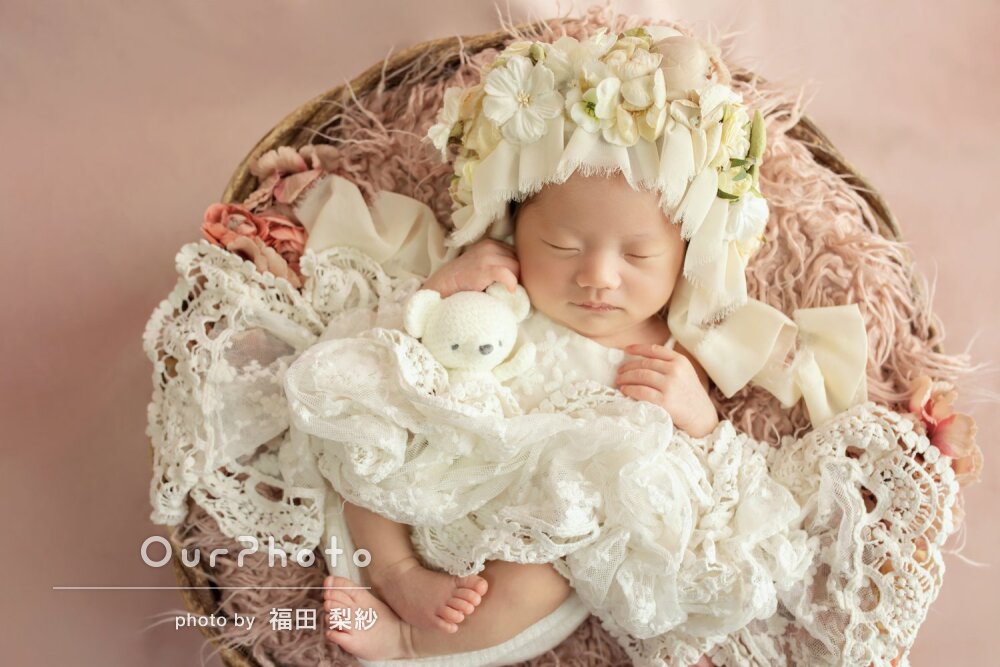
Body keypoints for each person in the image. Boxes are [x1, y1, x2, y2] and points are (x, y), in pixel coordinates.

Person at [322, 169, 725, 664]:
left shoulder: (673, 354)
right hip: (448, 456)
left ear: (684, 256)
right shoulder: (499, 288)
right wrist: (443, 288)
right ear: (515, 231)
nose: (598, 276)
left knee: (545, 580)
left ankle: (408, 642)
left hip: (533, 524)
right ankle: (396, 572)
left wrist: (699, 413)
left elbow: (696, 469)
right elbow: (408, 348)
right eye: (562, 246)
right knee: (373, 425)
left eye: (638, 255)